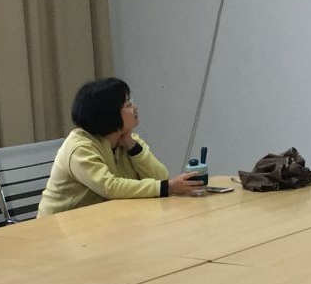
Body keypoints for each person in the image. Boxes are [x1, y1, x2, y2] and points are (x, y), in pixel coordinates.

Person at [37, 78, 203, 217]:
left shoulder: (128, 140)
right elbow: (110, 187)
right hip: (57, 228)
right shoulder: (79, 147)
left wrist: (133, 147)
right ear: (108, 113)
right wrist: (168, 187)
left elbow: (161, 176)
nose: (135, 108)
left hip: (99, 221)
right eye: (128, 104)